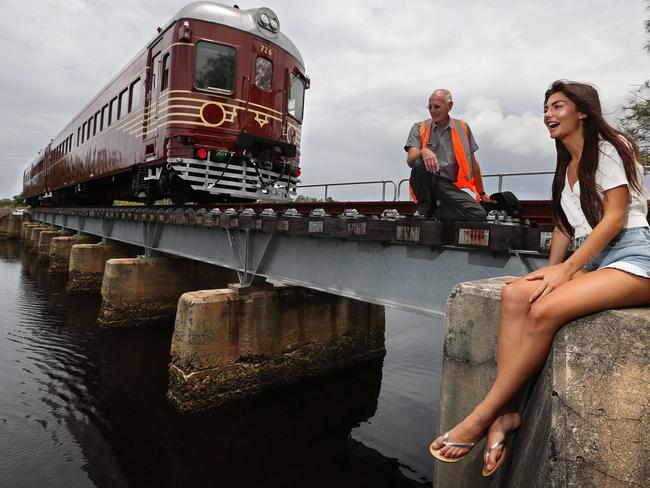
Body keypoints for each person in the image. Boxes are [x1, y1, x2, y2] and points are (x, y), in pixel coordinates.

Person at [429, 80, 650, 476]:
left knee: (544, 309)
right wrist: (554, 268)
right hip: (595, 256)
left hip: (633, 256)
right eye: (546, 108)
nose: (548, 114)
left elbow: (615, 217)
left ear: (582, 111)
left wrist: (566, 270)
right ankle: (508, 412)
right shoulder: (566, 162)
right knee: (516, 294)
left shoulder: (608, 146)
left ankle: (483, 416)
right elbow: (565, 228)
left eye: (558, 106)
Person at [404, 89, 494, 221]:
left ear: (450, 106)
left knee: (478, 214)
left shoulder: (463, 128)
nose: (433, 110)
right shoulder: (419, 127)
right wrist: (423, 151)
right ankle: (424, 209)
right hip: (425, 182)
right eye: (430, 107)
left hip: (445, 186)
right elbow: (411, 160)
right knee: (421, 162)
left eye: (437, 107)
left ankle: (437, 212)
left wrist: (482, 193)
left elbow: (473, 163)